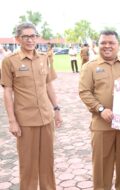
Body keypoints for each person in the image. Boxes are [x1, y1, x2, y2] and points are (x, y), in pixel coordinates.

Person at [1, 22, 62, 190]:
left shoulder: (44, 58)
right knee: (28, 165)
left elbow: (48, 85)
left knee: (47, 162)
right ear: (18, 39)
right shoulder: (9, 62)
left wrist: (56, 109)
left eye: (33, 36)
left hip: (46, 118)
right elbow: (7, 92)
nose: (30, 40)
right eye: (26, 36)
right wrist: (12, 121)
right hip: (26, 121)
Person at [79, 30, 120, 189]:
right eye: (103, 43)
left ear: (118, 45)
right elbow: (84, 92)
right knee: (101, 167)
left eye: (111, 43)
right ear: (98, 45)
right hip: (101, 125)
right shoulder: (90, 67)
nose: (107, 46)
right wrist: (100, 109)